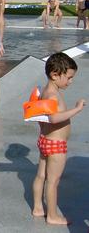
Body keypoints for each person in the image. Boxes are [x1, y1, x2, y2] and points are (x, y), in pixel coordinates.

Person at [31, 52, 85, 225]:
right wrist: (76, 109)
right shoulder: (53, 95)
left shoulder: (45, 92)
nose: (70, 81)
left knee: (41, 176)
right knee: (53, 182)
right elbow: (54, 118)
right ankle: (53, 215)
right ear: (55, 75)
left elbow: (42, 117)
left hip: (45, 140)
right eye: (68, 78)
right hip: (56, 145)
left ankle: (38, 207)